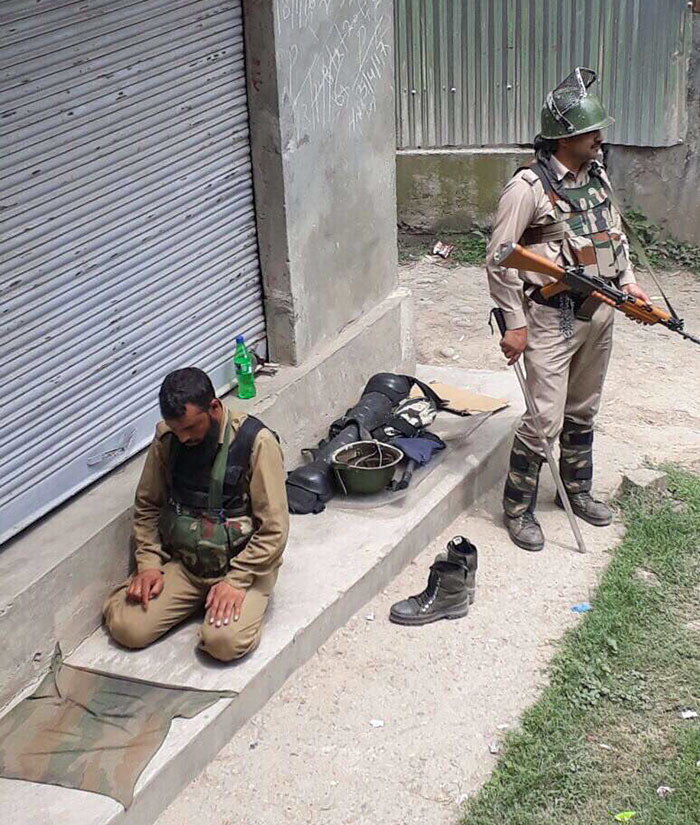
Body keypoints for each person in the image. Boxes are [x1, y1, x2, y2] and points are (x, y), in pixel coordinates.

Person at [486, 67, 650, 552]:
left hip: (600, 310)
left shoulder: (597, 176)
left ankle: (575, 491)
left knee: (583, 408)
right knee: (544, 418)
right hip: (549, 316)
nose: (600, 137)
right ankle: (517, 509)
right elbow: (499, 259)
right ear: (565, 137)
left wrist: (630, 283)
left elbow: (612, 236)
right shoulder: (527, 189)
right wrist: (513, 323)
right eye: (590, 131)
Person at [104, 367, 289, 661]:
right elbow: (148, 505)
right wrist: (149, 563)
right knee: (128, 628)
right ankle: (199, 601)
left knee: (223, 643)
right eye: (176, 429)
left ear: (214, 407)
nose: (184, 436)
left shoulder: (256, 442)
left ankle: (229, 607)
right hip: (188, 565)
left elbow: (274, 530)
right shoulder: (169, 440)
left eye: (190, 428)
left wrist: (236, 581)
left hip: (241, 566)